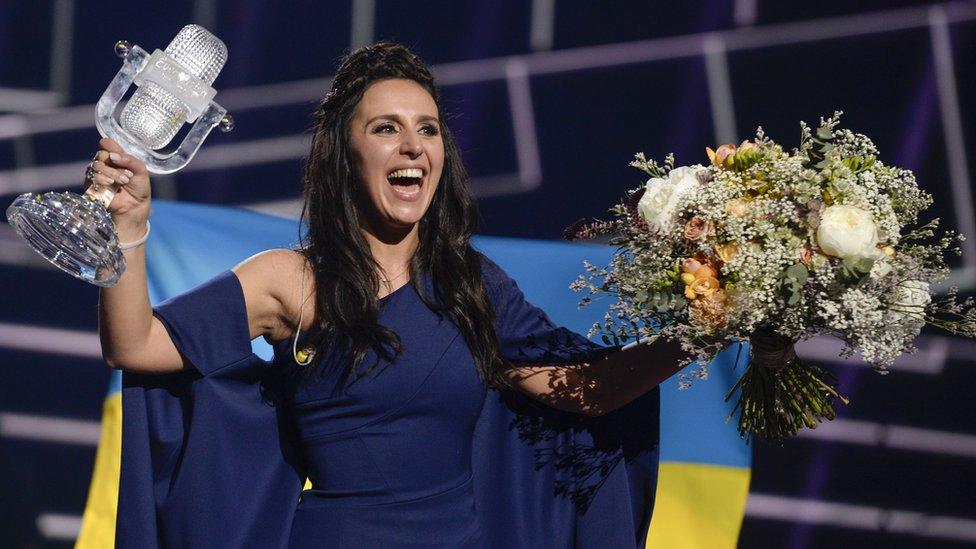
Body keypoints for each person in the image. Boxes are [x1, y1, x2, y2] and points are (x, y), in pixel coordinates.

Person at [93, 42, 691, 548]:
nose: (413, 146)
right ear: (344, 156)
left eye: (427, 129)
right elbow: (137, 345)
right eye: (386, 128)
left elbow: (591, 392)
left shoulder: (473, 287)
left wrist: (712, 323)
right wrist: (127, 228)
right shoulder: (290, 281)